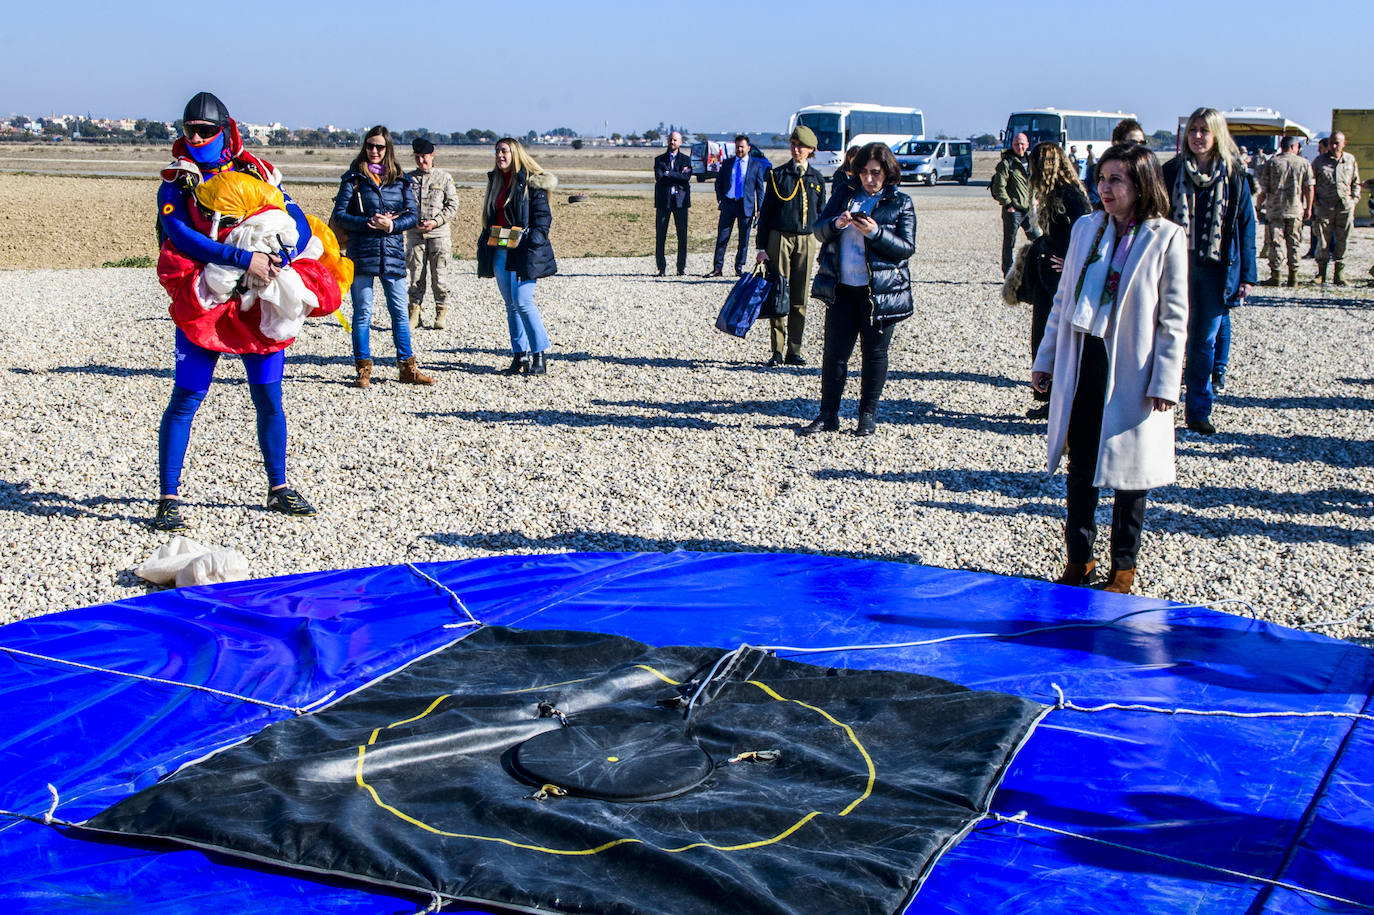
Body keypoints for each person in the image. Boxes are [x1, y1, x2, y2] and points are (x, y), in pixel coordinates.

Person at [153, 91, 340, 532]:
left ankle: (278, 487)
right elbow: (179, 235)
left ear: (225, 129)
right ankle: (168, 497)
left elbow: (290, 212)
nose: (196, 137)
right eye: (189, 130)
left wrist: (283, 256)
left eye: (206, 130)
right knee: (187, 397)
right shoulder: (177, 181)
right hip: (206, 298)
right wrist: (241, 260)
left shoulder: (256, 170)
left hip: (259, 300)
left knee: (268, 398)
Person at [1031, 143, 1189, 594]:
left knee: (1129, 475)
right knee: (1080, 468)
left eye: (1116, 179)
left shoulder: (1165, 238)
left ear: (1141, 184)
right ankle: (1079, 559)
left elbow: (1174, 318)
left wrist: (1165, 381)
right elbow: (1063, 302)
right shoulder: (1087, 228)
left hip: (1132, 371)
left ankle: (1123, 570)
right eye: (1101, 178)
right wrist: (1045, 359)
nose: (1105, 187)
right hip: (1084, 362)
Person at [798, 142, 916, 438]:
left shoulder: (901, 202)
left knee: (874, 354)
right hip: (842, 289)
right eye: (863, 172)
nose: (869, 178)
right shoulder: (843, 195)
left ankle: (867, 415)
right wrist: (836, 224)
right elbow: (819, 229)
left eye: (875, 172)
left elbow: (906, 248)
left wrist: (875, 233)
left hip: (879, 293)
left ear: (887, 172)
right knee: (835, 355)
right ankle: (828, 414)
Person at [1162, 108, 1256, 434]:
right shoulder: (1172, 171)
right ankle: (1162, 404)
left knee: (1204, 342)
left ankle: (1198, 411)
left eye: (1204, 130)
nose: (1198, 136)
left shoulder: (1234, 176)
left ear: (1217, 135)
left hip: (1216, 271)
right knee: (1171, 337)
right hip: (1176, 269)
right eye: (1193, 130)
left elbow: (1246, 227)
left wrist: (1247, 276)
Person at [333, 127, 433, 388]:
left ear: (388, 149)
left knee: (399, 311)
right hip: (362, 253)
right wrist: (368, 222)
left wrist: (391, 226)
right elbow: (340, 216)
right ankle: (363, 369)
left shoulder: (400, 180)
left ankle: (407, 368)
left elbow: (411, 214)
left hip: (391, 253)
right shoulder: (353, 179)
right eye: (370, 146)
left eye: (379, 147)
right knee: (362, 312)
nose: (374, 151)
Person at [1022, 142, 1092, 420]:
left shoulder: (1072, 196)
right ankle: (1048, 397)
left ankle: (1060, 402)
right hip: (1046, 277)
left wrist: (1074, 264)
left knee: (1060, 340)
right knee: (1042, 337)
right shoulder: (1052, 194)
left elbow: (1088, 233)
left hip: (1062, 278)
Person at [478, 137, 558, 375]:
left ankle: (539, 354)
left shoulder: (532, 182)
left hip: (523, 251)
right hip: (500, 249)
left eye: (504, 151)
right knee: (511, 305)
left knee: (523, 301)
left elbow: (543, 221)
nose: (500, 156)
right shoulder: (496, 181)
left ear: (515, 153)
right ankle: (519, 355)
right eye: (497, 152)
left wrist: (529, 241)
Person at [755, 125, 827, 367]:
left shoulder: (816, 178)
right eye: (793, 145)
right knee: (778, 293)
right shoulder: (778, 176)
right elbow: (765, 214)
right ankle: (776, 349)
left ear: (811, 150)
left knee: (799, 296)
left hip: (806, 239)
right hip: (780, 238)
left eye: (801, 146)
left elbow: (822, 214)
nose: (796, 150)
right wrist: (761, 247)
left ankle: (794, 350)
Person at [405, 137, 459, 330]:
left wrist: (435, 222)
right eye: (417, 157)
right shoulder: (407, 179)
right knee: (415, 277)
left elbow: (452, 205)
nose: (421, 161)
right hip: (415, 235)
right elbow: (401, 205)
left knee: (440, 277)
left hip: (438, 236)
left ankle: (441, 312)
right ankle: (414, 312)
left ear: (432, 155)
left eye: (424, 157)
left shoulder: (444, 178)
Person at [1254, 135, 1313, 288]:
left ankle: (1276, 275)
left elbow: (1262, 189)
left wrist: (1258, 207)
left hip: (1275, 209)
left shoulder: (1272, 163)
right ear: (1294, 147)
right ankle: (1293, 277)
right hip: (1295, 209)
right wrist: (1308, 207)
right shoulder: (1304, 163)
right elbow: (1309, 187)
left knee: (1275, 243)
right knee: (1294, 243)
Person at [708, 135, 769, 277]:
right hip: (728, 204)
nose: (739, 149)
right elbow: (718, 183)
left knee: (744, 239)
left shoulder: (755, 166)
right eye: (737, 147)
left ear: (748, 148)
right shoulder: (728, 163)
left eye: (742, 147)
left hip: (745, 206)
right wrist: (721, 200)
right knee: (722, 237)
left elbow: (760, 189)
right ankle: (717, 268)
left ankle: (739, 267)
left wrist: (760, 209)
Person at [1312, 130, 1361, 286]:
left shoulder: (1350, 160)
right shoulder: (1319, 161)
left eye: (1337, 143)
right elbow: (1312, 183)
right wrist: (1315, 203)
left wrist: (1354, 200)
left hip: (1344, 207)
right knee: (1323, 241)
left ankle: (1339, 274)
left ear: (1343, 144)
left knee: (1343, 240)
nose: (1333, 146)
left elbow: (1355, 182)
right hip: (1324, 207)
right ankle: (1321, 273)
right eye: (1331, 142)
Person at [991, 132, 1040, 276]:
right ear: (1012, 145)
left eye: (1022, 144)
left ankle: (1037, 270)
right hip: (1013, 211)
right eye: (1017, 144)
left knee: (1037, 239)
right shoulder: (1007, 164)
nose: (1020, 147)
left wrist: (1036, 198)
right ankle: (1008, 272)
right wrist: (1008, 205)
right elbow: (998, 187)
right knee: (1009, 243)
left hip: (1029, 210)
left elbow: (1035, 183)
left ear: (1027, 145)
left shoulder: (1032, 163)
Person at [653, 131, 692, 276]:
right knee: (661, 235)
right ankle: (661, 267)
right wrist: (676, 175)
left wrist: (669, 173)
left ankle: (680, 268)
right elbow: (659, 177)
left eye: (675, 140)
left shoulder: (686, 160)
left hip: (680, 202)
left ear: (680, 142)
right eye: (670, 140)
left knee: (682, 236)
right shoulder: (659, 160)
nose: (672, 142)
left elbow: (686, 177)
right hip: (664, 202)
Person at [1304, 137, 1329, 259]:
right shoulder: (1318, 161)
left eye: (1321, 148)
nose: (1319, 151)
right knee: (1315, 228)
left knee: (1330, 230)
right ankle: (1313, 250)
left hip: (1330, 202)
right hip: (1318, 201)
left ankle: (1329, 251)